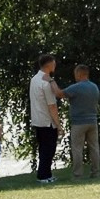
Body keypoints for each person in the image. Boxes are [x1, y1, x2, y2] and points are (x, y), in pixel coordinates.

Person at [61, 64, 100, 179]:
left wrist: (51, 83)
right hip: (92, 121)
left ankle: (77, 174)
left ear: (79, 74)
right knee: (94, 147)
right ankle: (96, 172)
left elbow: (60, 94)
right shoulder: (94, 87)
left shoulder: (76, 87)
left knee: (77, 149)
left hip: (79, 122)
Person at [28, 54, 61, 184]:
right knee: (49, 148)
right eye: (54, 63)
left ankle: (45, 173)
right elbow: (52, 105)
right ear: (49, 65)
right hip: (47, 121)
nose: (55, 65)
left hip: (37, 119)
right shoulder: (45, 83)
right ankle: (44, 175)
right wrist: (58, 124)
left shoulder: (34, 80)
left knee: (43, 148)